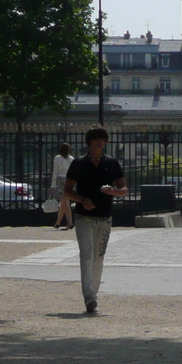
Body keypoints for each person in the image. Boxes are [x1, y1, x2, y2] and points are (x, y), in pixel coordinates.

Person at [64, 126, 128, 315]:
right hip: (84, 216)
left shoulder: (112, 163)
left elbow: (123, 189)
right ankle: (89, 297)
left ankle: (94, 293)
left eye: (103, 139)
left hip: (105, 217)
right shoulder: (78, 163)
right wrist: (83, 200)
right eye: (97, 139)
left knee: (98, 258)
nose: (101, 142)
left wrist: (113, 191)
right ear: (90, 141)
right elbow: (67, 190)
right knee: (86, 256)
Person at [50, 143, 74, 231]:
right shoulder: (71, 159)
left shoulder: (57, 158)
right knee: (64, 202)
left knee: (64, 202)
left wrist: (53, 185)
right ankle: (59, 222)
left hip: (61, 180)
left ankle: (67, 222)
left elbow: (55, 172)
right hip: (70, 180)